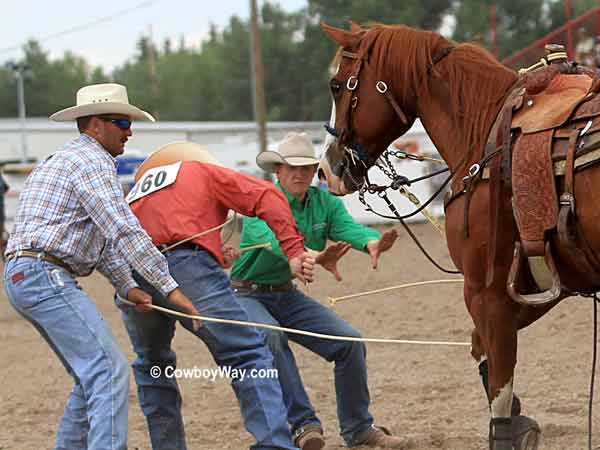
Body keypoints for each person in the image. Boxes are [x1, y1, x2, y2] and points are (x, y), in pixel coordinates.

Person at [3, 83, 199, 450]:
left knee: (90, 375)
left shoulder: (68, 160)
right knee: (108, 370)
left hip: (28, 274)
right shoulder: (92, 163)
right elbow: (122, 229)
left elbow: (101, 238)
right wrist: (169, 288)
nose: (130, 130)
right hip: (44, 274)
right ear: (95, 125)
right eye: (121, 121)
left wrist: (128, 286)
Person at [117, 141, 317, 450]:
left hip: (131, 274)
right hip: (184, 266)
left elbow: (160, 227)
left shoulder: (137, 191)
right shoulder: (200, 171)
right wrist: (293, 249)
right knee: (248, 354)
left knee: (152, 364)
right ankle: (275, 445)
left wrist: (211, 252)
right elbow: (267, 195)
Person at [230, 132, 411, 450]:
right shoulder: (258, 203)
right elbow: (279, 246)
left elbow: (347, 228)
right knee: (271, 336)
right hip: (246, 294)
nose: (300, 174)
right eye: (292, 168)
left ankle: (358, 428)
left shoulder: (324, 202)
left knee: (349, 343)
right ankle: (303, 424)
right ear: (278, 171)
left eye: (307, 168)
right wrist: (315, 257)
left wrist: (371, 242)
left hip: (285, 293)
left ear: (315, 172)